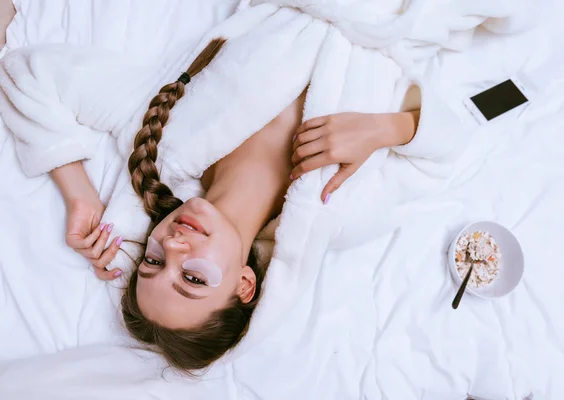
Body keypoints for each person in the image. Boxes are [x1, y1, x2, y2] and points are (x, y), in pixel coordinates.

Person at [0, 36, 420, 371]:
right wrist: (393, 128)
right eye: (194, 279)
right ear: (244, 284)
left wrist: (80, 195)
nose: (175, 246)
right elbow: (469, 126)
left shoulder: (161, 132)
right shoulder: (337, 207)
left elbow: (24, 71)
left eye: (153, 261)